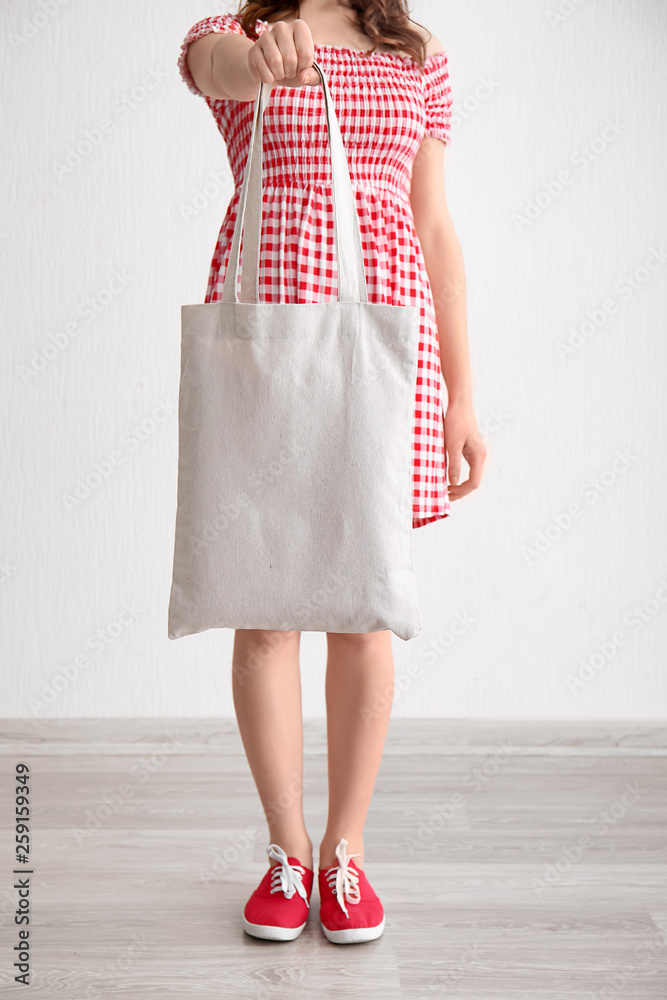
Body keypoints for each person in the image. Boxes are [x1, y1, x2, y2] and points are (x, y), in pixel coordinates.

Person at [177, 0, 486, 944]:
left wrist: (461, 394)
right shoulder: (227, 30)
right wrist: (263, 57)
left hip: (384, 349)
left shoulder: (417, 53)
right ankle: (287, 851)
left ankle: (345, 854)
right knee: (264, 607)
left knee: (362, 607)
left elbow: (431, 224)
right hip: (267, 343)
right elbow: (215, 70)